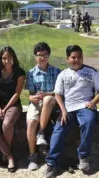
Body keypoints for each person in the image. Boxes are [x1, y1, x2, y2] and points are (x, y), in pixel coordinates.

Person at [45, 45, 99, 178]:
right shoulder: (63, 74)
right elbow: (58, 94)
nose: (76, 60)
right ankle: (52, 163)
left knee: (89, 122)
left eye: (79, 57)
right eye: (73, 57)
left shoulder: (91, 72)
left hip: (85, 107)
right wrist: (63, 110)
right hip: (68, 108)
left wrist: (93, 102)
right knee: (59, 129)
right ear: (67, 59)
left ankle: (83, 156)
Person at [0, 46, 26, 173]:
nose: (6, 61)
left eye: (9, 58)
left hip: (14, 104)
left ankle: (7, 156)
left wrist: (6, 108)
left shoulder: (19, 73)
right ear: (0, 59)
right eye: (4, 58)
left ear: (13, 58)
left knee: (7, 124)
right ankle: (9, 154)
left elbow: (17, 94)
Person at [25, 42, 61, 171]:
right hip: (36, 103)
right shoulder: (31, 73)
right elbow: (30, 95)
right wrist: (32, 98)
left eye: (44, 55)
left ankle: (40, 133)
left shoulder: (57, 71)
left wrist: (47, 94)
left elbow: (59, 92)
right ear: (35, 56)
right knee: (30, 123)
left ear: (49, 55)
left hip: (52, 102)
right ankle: (33, 157)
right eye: (39, 55)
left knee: (47, 99)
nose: (42, 58)